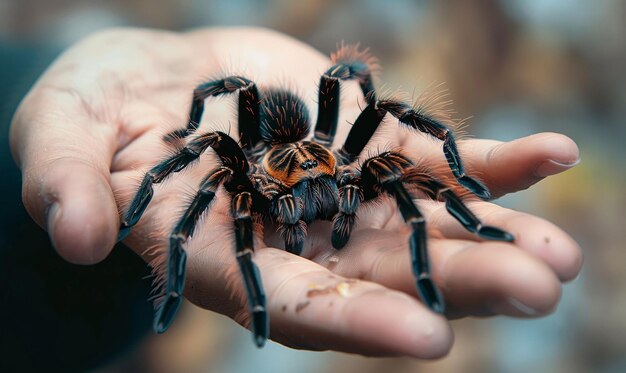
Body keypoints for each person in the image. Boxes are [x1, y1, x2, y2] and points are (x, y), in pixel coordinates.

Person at [10, 27, 582, 358]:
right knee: (208, 163)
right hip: (264, 158)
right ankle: (201, 302)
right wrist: (185, 136)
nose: (313, 200)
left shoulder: (350, 165)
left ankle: (474, 225)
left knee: (401, 157)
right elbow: (204, 152)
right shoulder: (244, 172)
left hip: (326, 151)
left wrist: (455, 175)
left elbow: (371, 96)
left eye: (325, 185)